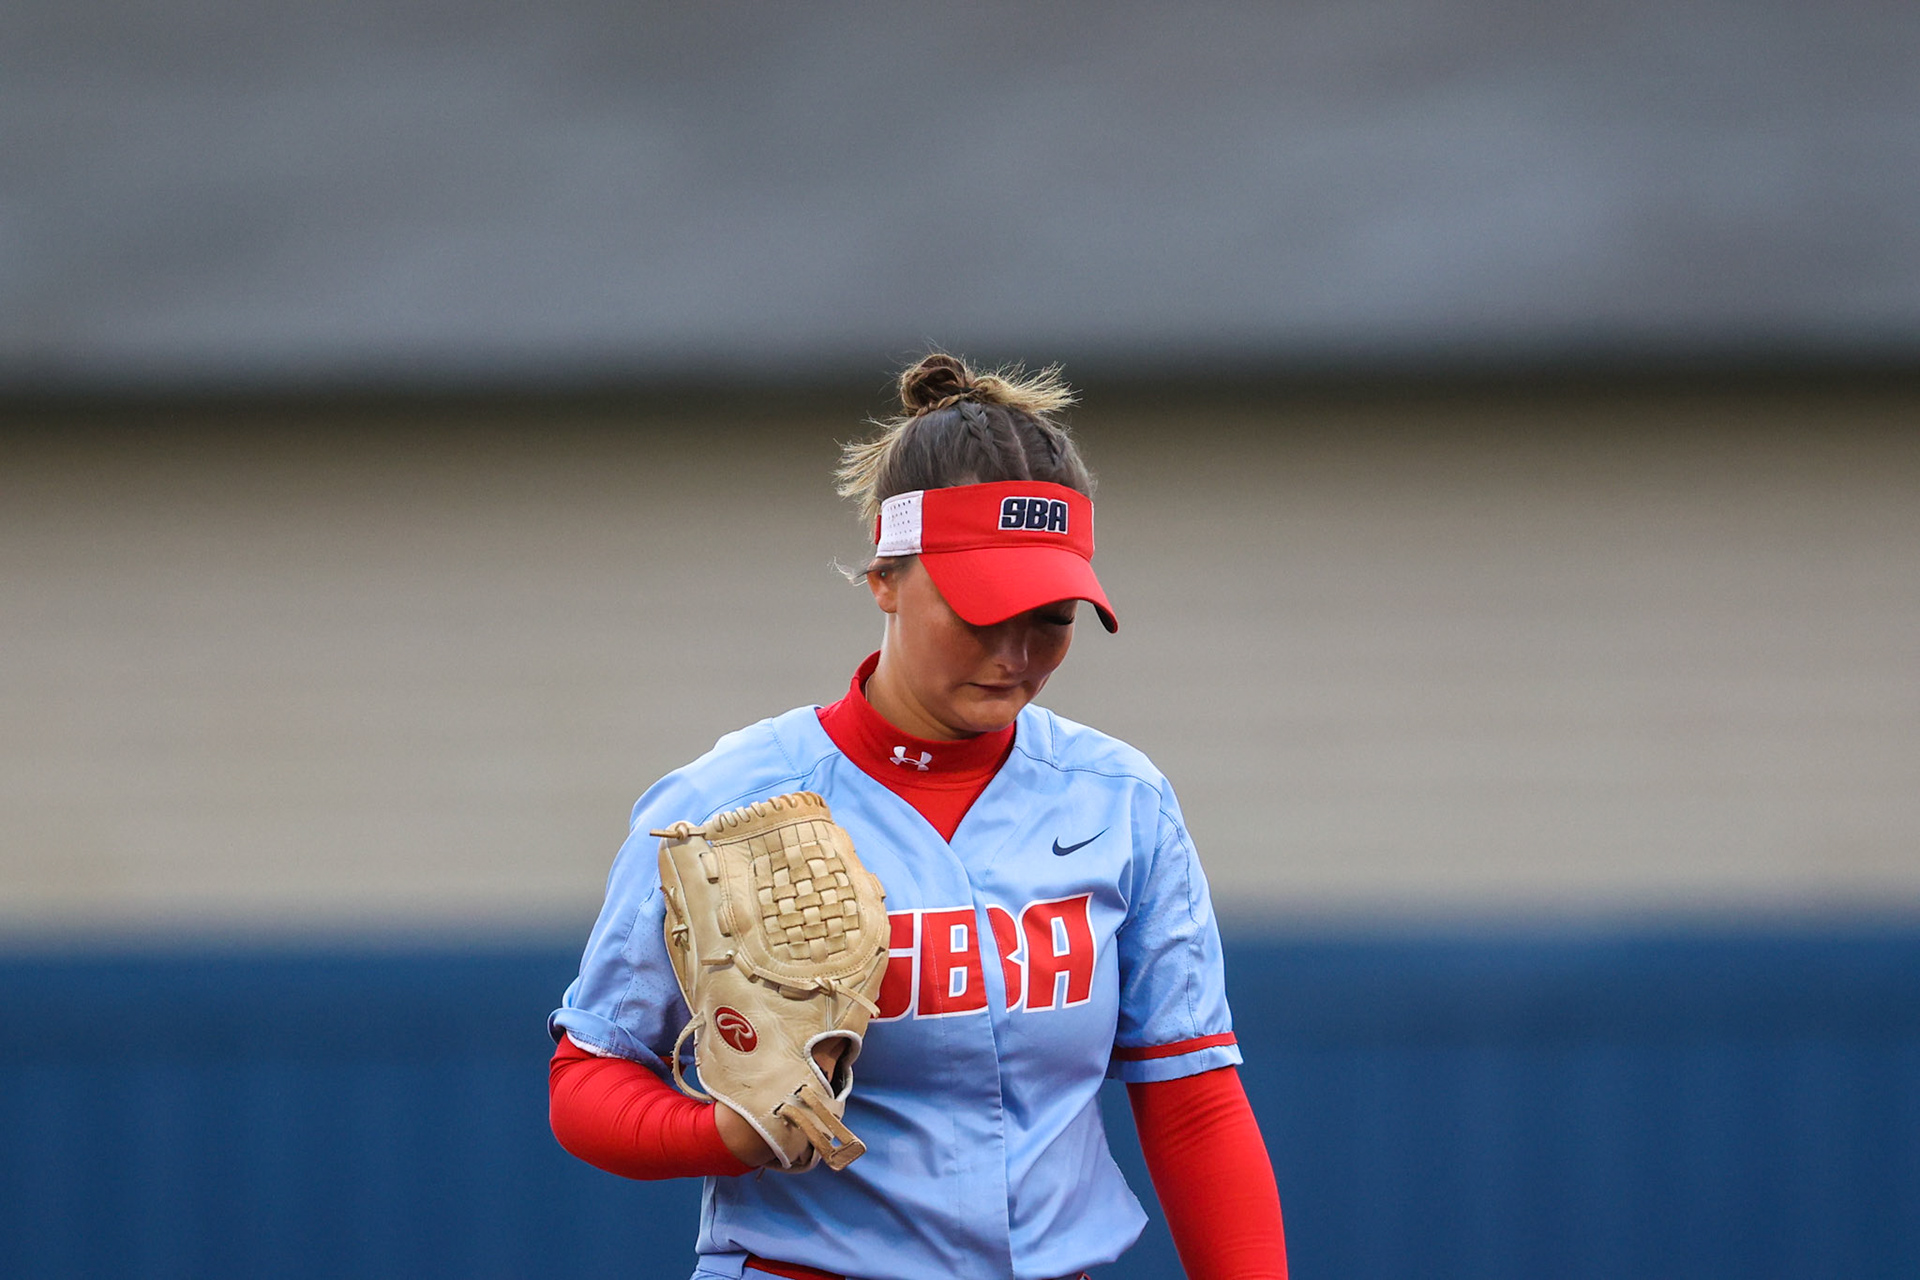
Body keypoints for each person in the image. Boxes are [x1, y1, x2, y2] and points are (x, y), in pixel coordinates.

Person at [548, 353, 1287, 1280]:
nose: (1017, 653)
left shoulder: (1118, 799)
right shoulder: (723, 802)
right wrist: (728, 1132)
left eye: (1052, 617)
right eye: (982, 613)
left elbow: (1192, 1095)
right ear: (884, 577)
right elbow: (588, 1078)